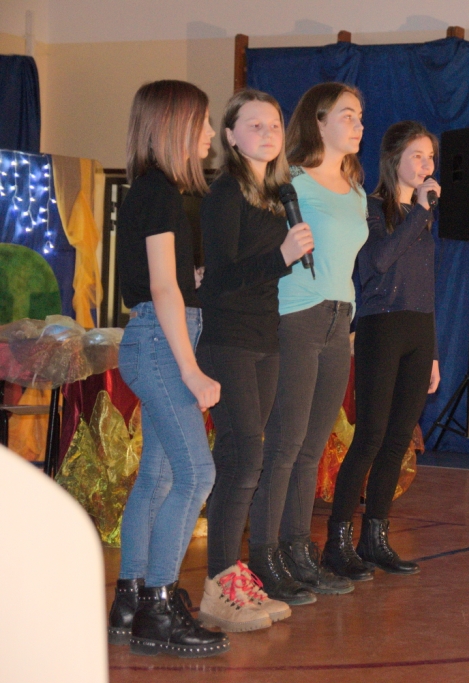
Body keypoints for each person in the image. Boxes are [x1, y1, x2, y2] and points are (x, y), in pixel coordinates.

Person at [106, 80, 228, 658]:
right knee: (197, 475)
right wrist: (191, 370)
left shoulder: (153, 192)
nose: (210, 133)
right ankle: (158, 606)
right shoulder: (159, 194)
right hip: (161, 344)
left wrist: (191, 282)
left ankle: (130, 599)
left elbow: (167, 281)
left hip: (154, 337)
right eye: (202, 122)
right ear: (174, 126)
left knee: (157, 478)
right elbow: (161, 290)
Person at [195, 88, 319, 632]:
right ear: (230, 135)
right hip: (228, 339)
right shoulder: (225, 192)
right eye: (254, 125)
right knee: (242, 459)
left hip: (266, 339)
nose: (267, 134)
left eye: (274, 125)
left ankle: (233, 578)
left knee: (251, 457)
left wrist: (283, 259)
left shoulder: (277, 193)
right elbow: (219, 279)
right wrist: (281, 256)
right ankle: (220, 588)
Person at [247, 83, 368, 597]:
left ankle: (298, 548)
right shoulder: (291, 181)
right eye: (348, 115)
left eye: (360, 116)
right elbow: (261, 249)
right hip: (297, 316)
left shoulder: (356, 188)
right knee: (285, 443)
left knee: (313, 447)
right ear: (318, 121)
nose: (358, 124)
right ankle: (264, 555)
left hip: (340, 321)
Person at [323, 121, 441, 580]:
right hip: (380, 328)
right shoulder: (371, 209)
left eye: (430, 157)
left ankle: (375, 537)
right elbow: (377, 262)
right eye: (417, 155)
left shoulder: (422, 217)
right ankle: (337, 540)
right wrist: (418, 213)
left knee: (398, 438)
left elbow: (425, 285)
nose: (426, 165)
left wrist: (433, 352)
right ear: (394, 160)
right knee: (370, 436)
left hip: (418, 331)